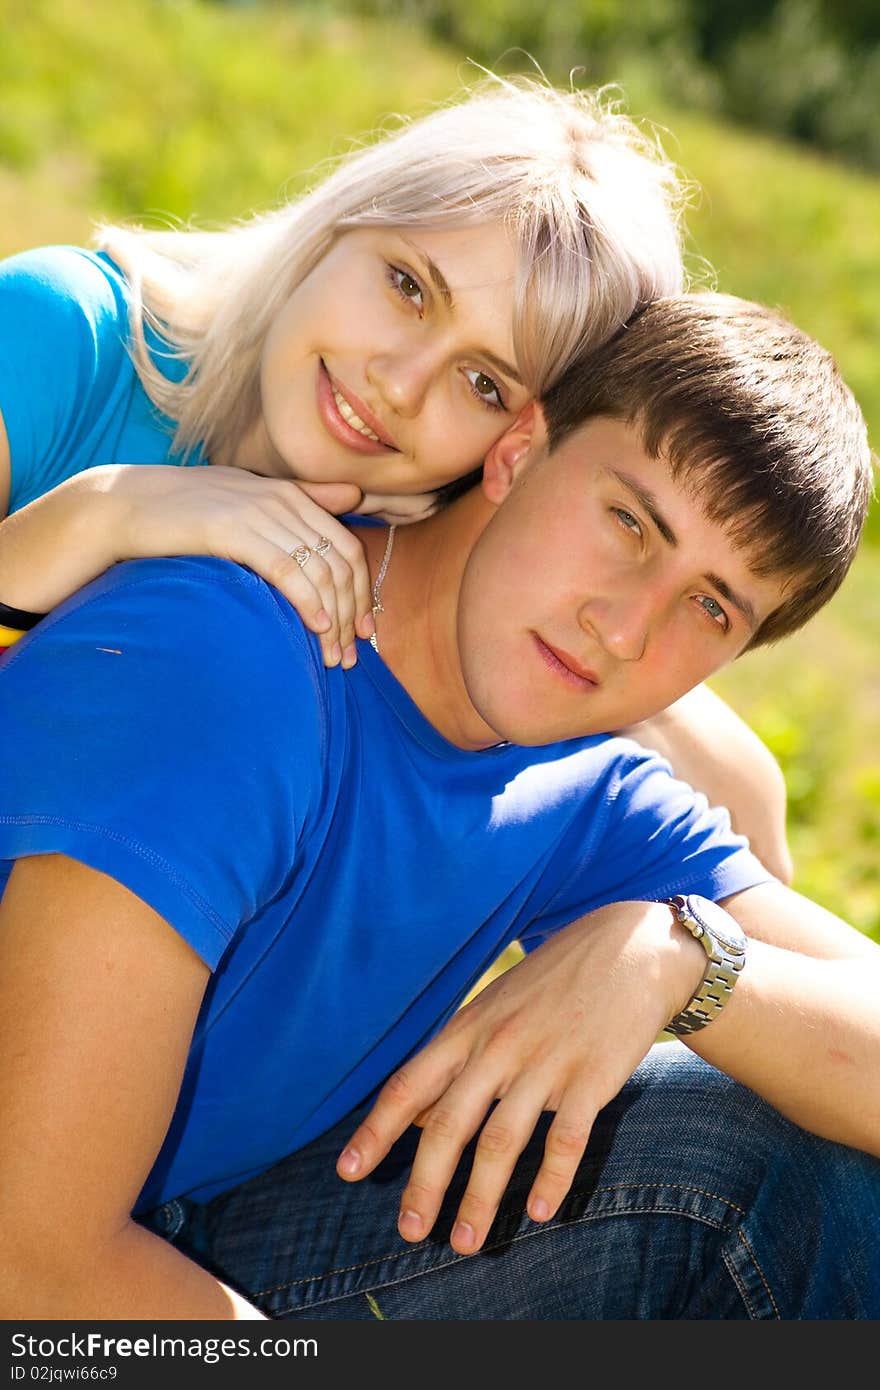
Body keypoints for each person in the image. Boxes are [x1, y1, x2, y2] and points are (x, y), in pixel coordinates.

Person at [0, 289, 877, 1320]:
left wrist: (679, 958)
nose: (627, 629)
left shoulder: (576, 779)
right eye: (628, 521)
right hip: (43, 1270)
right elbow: (31, 1270)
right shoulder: (226, 659)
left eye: (708, 605)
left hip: (196, 1223)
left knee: (807, 1150)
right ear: (518, 452)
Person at [0, 76, 793, 878]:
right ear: (342, 222)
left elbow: (753, 808)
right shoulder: (62, 336)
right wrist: (104, 514)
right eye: (409, 286)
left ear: (524, 446)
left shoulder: (416, 567)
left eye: (484, 383)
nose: (399, 384)